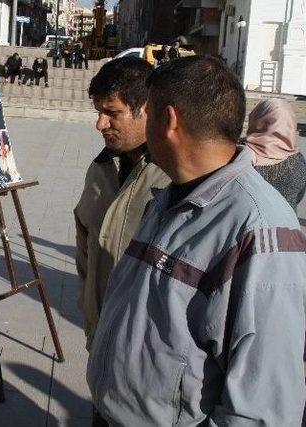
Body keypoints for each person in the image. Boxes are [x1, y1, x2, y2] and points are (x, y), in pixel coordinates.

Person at [88, 55, 306, 425]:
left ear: (168, 120)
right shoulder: (170, 194)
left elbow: (262, 406)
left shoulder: (260, 228)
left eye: (149, 112)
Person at [76, 57, 169, 359]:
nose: (100, 124)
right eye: (99, 112)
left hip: (146, 355)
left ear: (146, 110)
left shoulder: (172, 178)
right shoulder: (100, 168)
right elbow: (85, 247)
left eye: (112, 113)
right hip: (100, 338)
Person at [245, 98, 306, 210]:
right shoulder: (299, 161)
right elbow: (298, 197)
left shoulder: (239, 155)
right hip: (287, 224)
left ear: (256, 119)